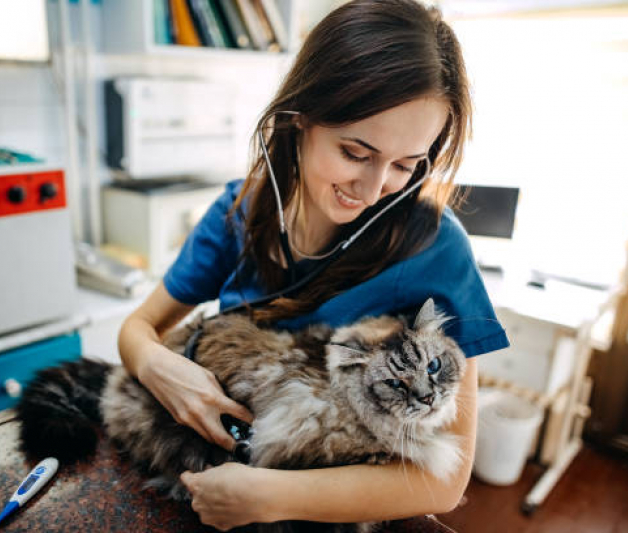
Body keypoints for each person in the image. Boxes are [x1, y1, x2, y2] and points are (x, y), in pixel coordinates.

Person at [117, 0, 509, 530]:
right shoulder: (242, 210)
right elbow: (138, 328)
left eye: (405, 165)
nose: (373, 190)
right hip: (210, 469)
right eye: (354, 152)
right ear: (299, 119)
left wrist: (269, 496)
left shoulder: (438, 251)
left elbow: (445, 481)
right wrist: (158, 367)